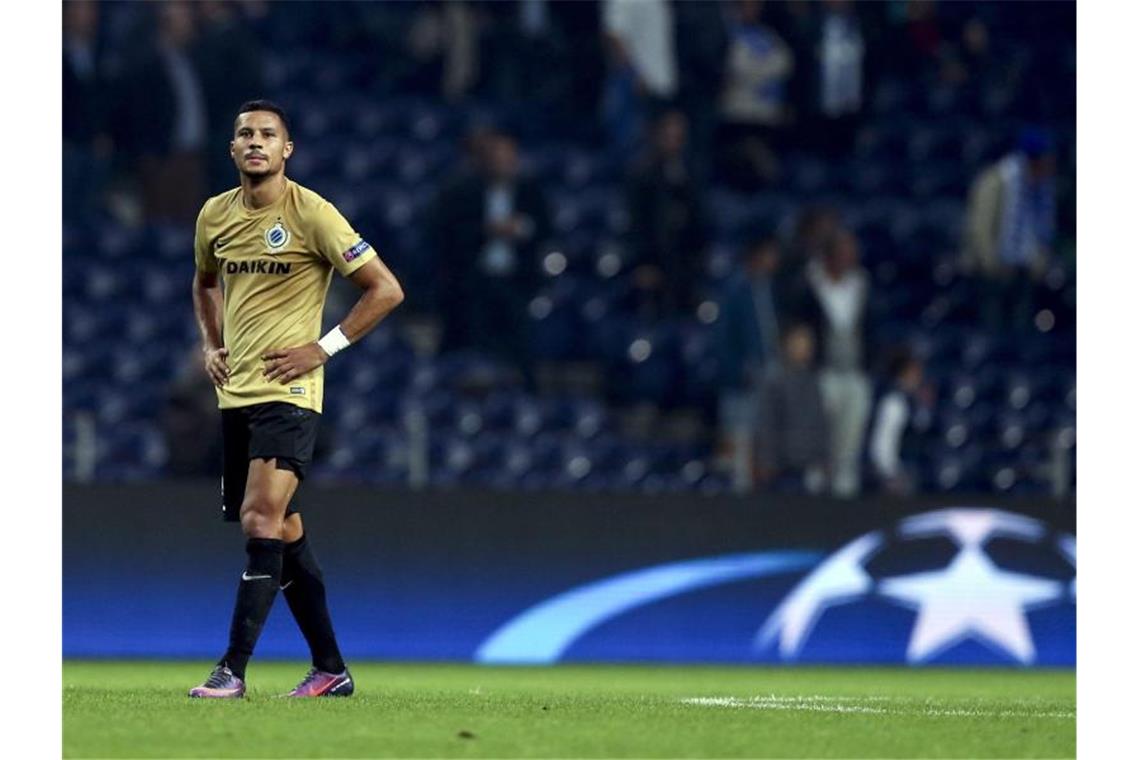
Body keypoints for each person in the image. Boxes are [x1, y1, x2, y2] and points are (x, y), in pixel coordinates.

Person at [188, 100, 405, 698]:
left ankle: (232, 670)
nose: (255, 142)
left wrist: (323, 348)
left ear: (288, 149)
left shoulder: (314, 214)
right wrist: (212, 343)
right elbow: (205, 280)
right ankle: (331, 668)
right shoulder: (214, 216)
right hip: (237, 396)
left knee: (260, 515)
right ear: (232, 149)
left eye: (267, 135)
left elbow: (386, 289)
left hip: (292, 391)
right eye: (244, 134)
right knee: (279, 528)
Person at [962, 127, 1057, 330]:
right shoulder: (997, 180)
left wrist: (1040, 260)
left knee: (1022, 324)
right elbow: (980, 227)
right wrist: (990, 263)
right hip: (994, 271)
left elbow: (1042, 230)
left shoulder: (1042, 189)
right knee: (993, 324)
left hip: (1025, 269)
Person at [802, 227, 872, 498]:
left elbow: (869, 326)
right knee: (819, 438)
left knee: (850, 439)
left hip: (855, 373)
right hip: (823, 374)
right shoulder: (811, 283)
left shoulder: (860, 284)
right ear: (830, 257)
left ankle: (845, 494)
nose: (850, 258)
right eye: (844, 253)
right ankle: (813, 491)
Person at [625, 110, 707, 317]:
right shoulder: (642, 173)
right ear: (657, 136)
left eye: (678, 137)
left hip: (684, 265)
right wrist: (644, 262)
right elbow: (636, 222)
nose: (673, 143)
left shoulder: (690, 172)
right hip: (655, 262)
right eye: (668, 136)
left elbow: (700, 218)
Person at [755, 324, 830, 494]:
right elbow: (767, 423)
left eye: (807, 345)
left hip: (808, 464)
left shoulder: (813, 380)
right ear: (786, 346)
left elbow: (820, 422)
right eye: (798, 344)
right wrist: (768, 461)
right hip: (782, 466)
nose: (804, 349)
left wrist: (824, 457)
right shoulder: (774, 380)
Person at [868, 349, 929, 495]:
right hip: (897, 476)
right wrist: (891, 474)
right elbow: (881, 444)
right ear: (905, 373)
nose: (919, 377)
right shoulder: (894, 402)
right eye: (915, 372)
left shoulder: (913, 401)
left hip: (909, 472)